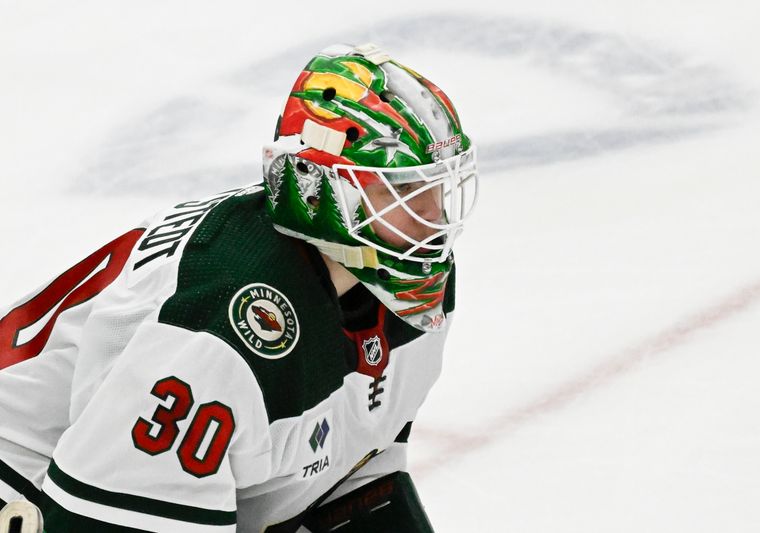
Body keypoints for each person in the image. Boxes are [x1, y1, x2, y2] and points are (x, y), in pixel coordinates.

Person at [0, 42, 478, 532]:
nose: (433, 218)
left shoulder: (409, 286)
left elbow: (346, 483)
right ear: (322, 188)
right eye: (399, 191)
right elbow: (101, 520)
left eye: (436, 189)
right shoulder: (223, 323)